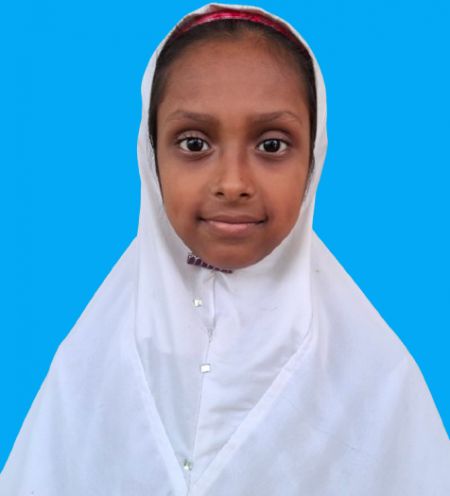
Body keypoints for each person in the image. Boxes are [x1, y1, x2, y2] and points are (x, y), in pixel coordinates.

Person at [1, 3, 449, 495]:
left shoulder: (376, 380)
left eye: (272, 145)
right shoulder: (87, 366)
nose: (233, 183)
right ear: (151, 156)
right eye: (194, 144)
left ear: (314, 157)